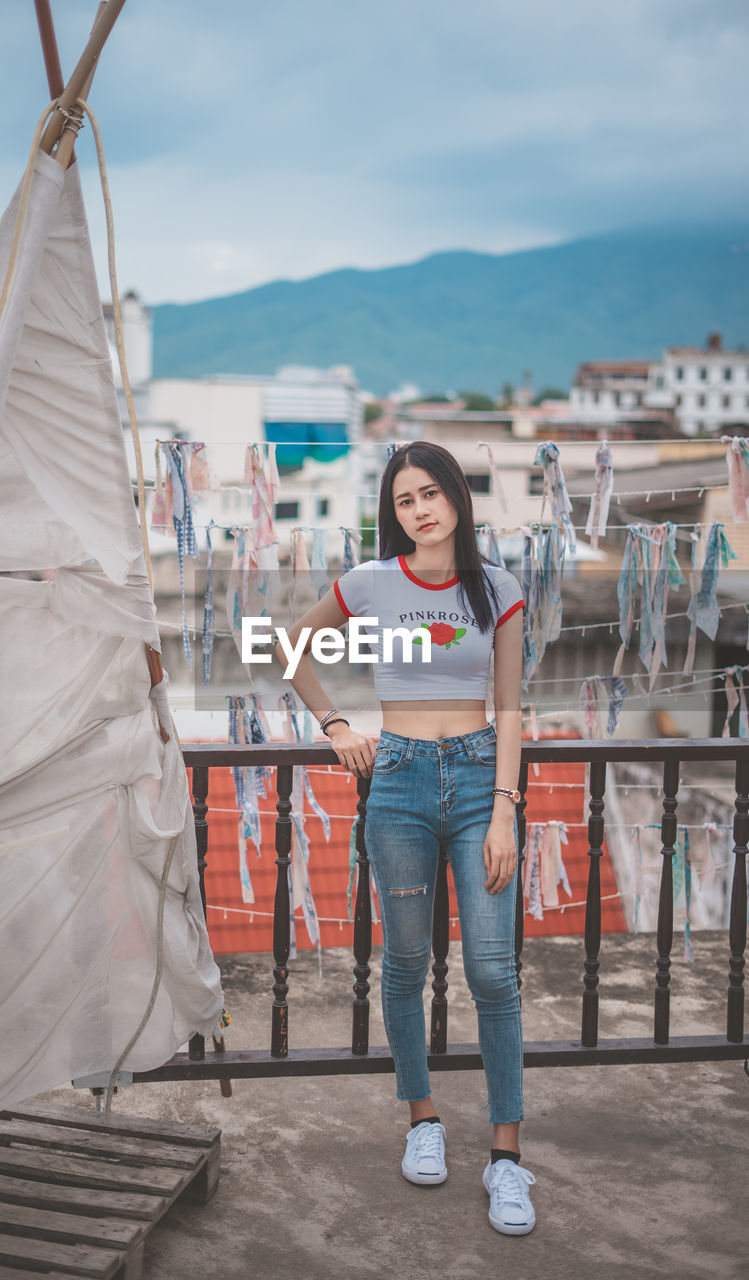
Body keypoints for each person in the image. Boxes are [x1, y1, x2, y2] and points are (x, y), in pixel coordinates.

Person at [274, 440, 535, 1235]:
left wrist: (502, 811)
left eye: (430, 494)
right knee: (406, 962)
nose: (419, 511)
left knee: (493, 973)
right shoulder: (372, 583)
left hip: (477, 779)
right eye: (402, 502)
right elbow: (292, 652)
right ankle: (422, 1119)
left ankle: (505, 1160)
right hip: (399, 783)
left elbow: (511, 710)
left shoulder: (497, 588)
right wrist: (334, 723)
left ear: (456, 496)